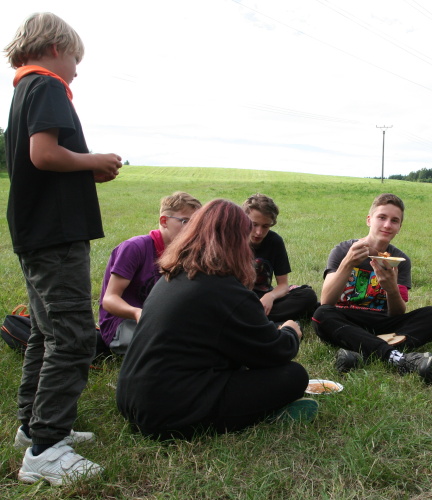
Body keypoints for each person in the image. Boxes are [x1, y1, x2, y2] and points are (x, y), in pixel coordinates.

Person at [4, 12, 122, 485]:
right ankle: (46, 449)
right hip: (56, 234)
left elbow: (42, 159)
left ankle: (32, 427)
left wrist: (85, 169)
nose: (76, 70)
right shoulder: (48, 84)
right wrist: (94, 160)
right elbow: (45, 154)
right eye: (75, 59)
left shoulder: (24, 89)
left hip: (35, 230)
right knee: (72, 336)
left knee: (44, 331)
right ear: (55, 48)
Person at [116, 199, 316, 440]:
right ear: (237, 242)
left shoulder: (174, 275)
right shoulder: (225, 290)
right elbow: (274, 353)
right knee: (293, 376)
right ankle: (265, 414)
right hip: (166, 413)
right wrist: (291, 332)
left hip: (130, 399)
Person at [312, 193, 432, 384]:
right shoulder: (343, 250)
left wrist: (391, 289)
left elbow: (397, 313)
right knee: (322, 314)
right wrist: (348, 263)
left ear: (399, 227)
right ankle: (397, 358)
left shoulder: (399, 261)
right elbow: (327, 301)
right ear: (369, 220)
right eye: (382, 217)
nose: (387, 225)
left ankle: (359, 351)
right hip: (347, 318)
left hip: (382, 322)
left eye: (394, 220)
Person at [98, 192, 202, 354]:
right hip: (124, 322)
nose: (192, 230)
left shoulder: (186, 255)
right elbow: (109, 300)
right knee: (172, 350)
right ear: (164, 221)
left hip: (161, 322)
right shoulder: (135, 248)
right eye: (185, 222)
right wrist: (137, 313)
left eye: (196, 224)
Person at [241, 194, 318, 323]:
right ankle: (258, 319)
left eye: (265, 226)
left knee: (307, 295)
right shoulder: (233, 240)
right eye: (254, 224)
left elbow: (283, 285)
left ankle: (252, 319)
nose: (259, 232)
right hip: (239, 300)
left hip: (265, 301)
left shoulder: (274, 241)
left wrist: (270, 296)